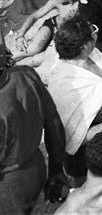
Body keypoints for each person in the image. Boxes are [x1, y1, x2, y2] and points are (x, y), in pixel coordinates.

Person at [0, 35, 67, 214]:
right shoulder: (25, 74)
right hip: (35, 169)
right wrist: (56, 171)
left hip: (9, 189)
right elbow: (54, 125)